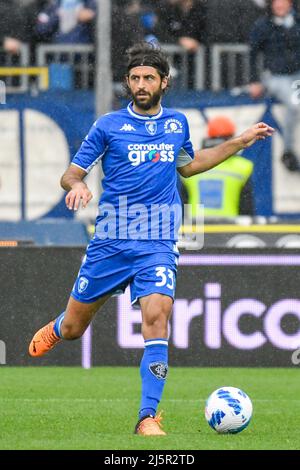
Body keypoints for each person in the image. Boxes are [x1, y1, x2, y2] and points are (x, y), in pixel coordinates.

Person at [28, 42, 273, 436]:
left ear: (164, 82)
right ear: (128, 82)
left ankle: (147, 416)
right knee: (76, 329)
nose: (141, 85)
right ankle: (59, 327)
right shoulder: (107, 125)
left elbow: (190, 167)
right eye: (135, 78)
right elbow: (70, 174)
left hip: (157, 241)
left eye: (149, 78)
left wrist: (239, 141)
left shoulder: (177, 124)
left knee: (157, 319)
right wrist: (79, 187)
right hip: (110, 241)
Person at [249, 0, 300, 171]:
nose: (279, 6)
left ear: (290, 4)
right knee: (295, 104)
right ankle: (288, 151)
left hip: (296, 75)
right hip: (276, 76)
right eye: (276, 3)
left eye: (283, 2)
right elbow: (253, 53)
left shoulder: (296, 22)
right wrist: (254, 80)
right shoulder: (263, 25)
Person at [182, 116, 254, 218]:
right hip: (228, 228)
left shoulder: (191, 164)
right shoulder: (242, 167)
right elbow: (247, 209)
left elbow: (183, 205)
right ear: (232, 137)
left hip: (196, 228)